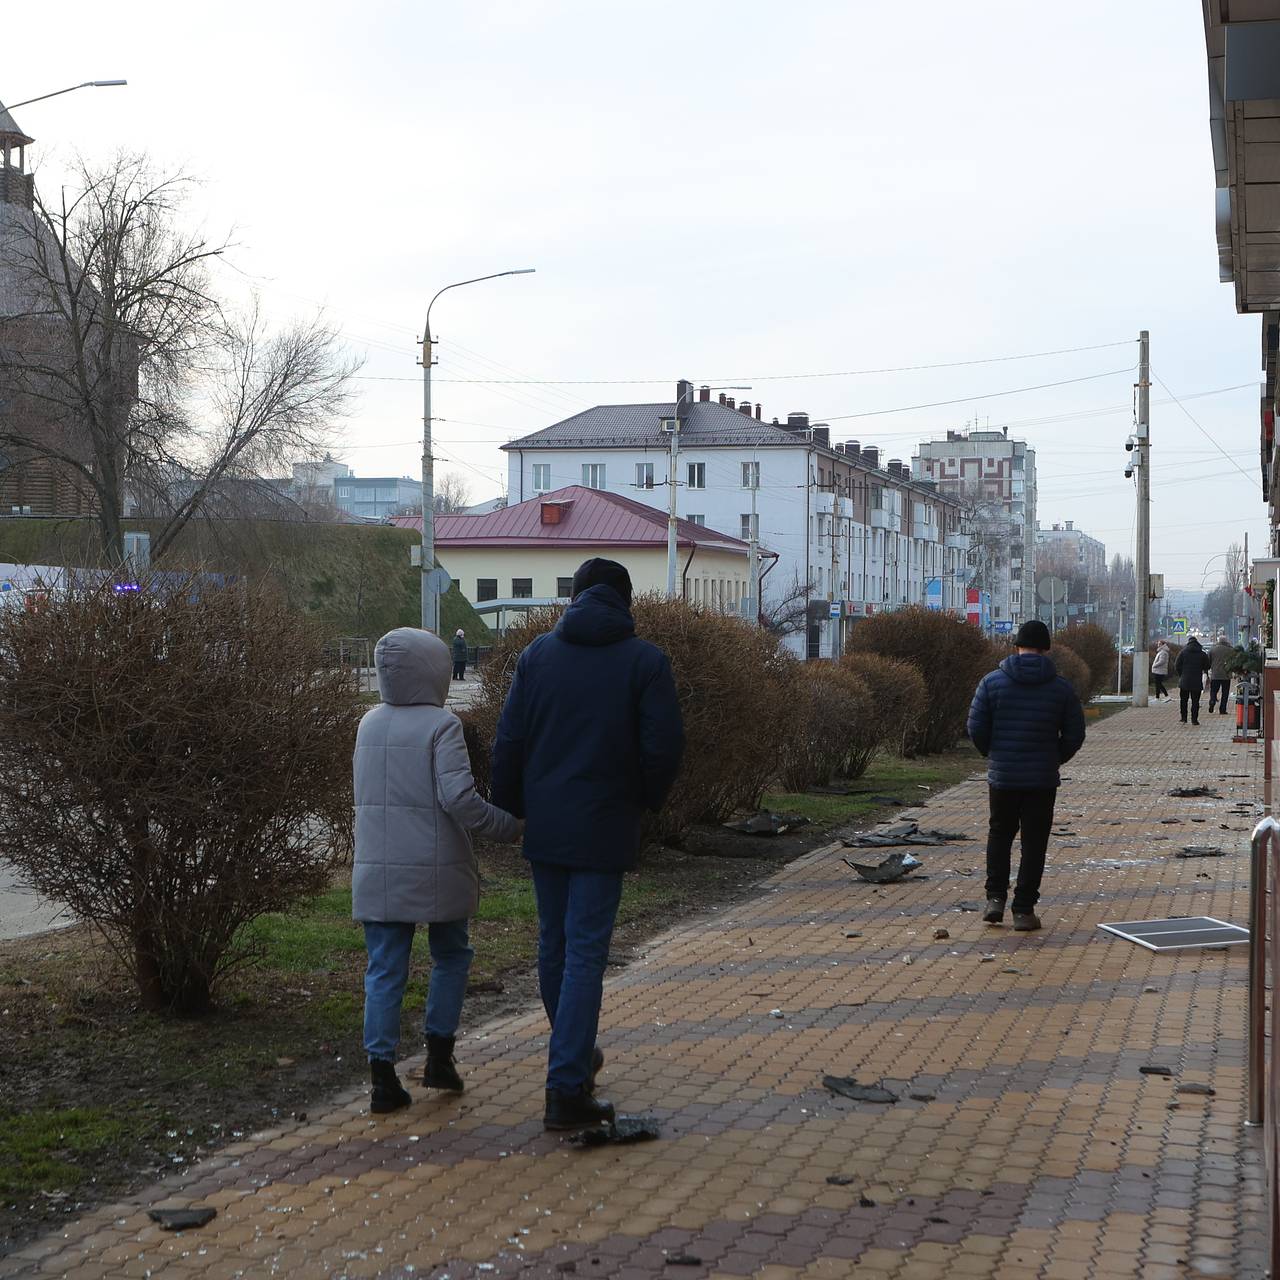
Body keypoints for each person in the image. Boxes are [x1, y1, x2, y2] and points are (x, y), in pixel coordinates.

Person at [492, 558, 685, 1130]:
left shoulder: (537, 656)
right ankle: (567, 1085)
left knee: (554, 947)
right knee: (584, 955)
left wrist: (513, 807)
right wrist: (646, 800)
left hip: (548, 824)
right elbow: (663, 747)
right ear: (625, 602)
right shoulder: (645, 662)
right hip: (605, 823)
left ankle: (573, 1056)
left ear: (574, 597)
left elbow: (510, 740)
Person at [352, 627, 520, 1114]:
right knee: (451, 954)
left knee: (384, 968)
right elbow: (460, 801)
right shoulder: (442, 725)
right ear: (436, 670)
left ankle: (382, 1077)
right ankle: (439, 1057)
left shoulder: (368, 724)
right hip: (437, 864)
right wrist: (508, 827)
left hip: (378, 867)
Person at [966, 620, 1086, 933]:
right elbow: (1075, 734)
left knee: (1000, 834)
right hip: (1042, 780)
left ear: (1017, 646)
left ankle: (994, 899)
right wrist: (1054, 757)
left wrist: (994, 754)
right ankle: (1023, 910)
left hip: (1003, 777)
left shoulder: (991, 683)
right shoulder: (1061, 688)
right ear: (1047, 649)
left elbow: (976, 727)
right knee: (1034, 843)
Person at [1175, 634, 1212, 725]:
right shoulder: (1202, 654)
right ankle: (1194, 720)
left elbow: (1176, 665)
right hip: (1196, 681)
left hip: (1184, 681)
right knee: (1195, 701)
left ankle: (1184, 718)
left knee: (1184, 700)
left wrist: (1181, 674)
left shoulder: (1183, 652)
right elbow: (1207, 666)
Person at [1208, 631, 1234, 716]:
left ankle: (1212, 700)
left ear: (1219, 641)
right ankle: (1222, 709)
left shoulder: (1212, 649)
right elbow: (1233, 661)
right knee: (1225, 693)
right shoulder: (1230, 650)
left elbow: (1208, 661)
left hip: (1215, 674)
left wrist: (1210, 669)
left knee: (1213, 690)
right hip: (1226, 675)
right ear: (1226, 641)